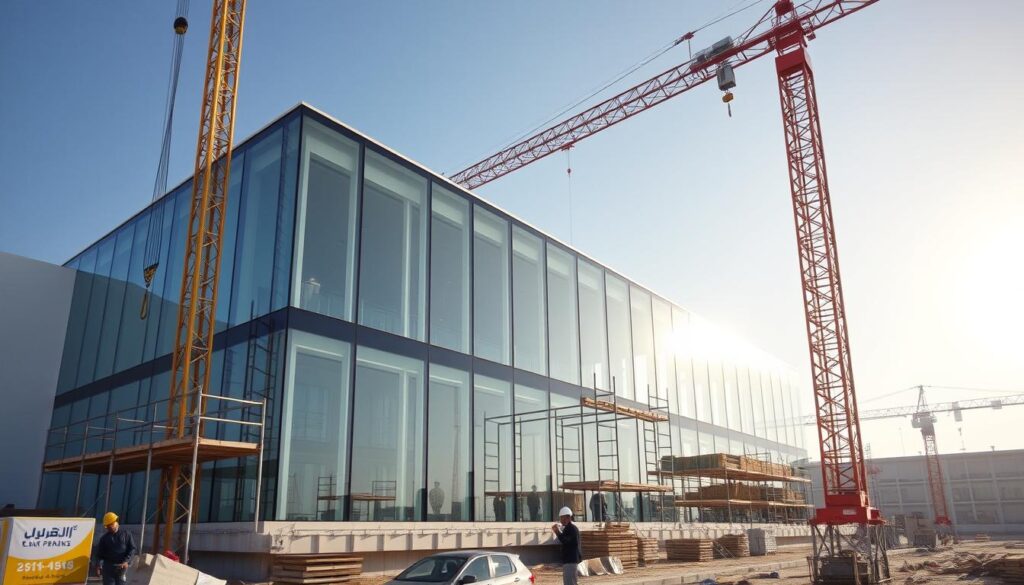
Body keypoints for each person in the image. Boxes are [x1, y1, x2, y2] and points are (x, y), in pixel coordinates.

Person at [92, 512, 137, 585]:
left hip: (121, 568)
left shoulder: (126, 534)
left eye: (111, 525)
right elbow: (100, 554)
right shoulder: (104, 538)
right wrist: (98, 565)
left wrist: (126, 561)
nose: (109, 528)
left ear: (116, 522)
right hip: (108, 568)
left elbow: (132, 549)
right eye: (107, 526)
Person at [551, 506, 582, 585]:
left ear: (568, 518)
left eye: (562, 518)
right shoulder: (569, 528)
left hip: (571, 561)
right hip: (570, 560)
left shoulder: (571, 529)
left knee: (570, 582)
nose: (561, 520)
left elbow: (565, 541)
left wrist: (557, 532)